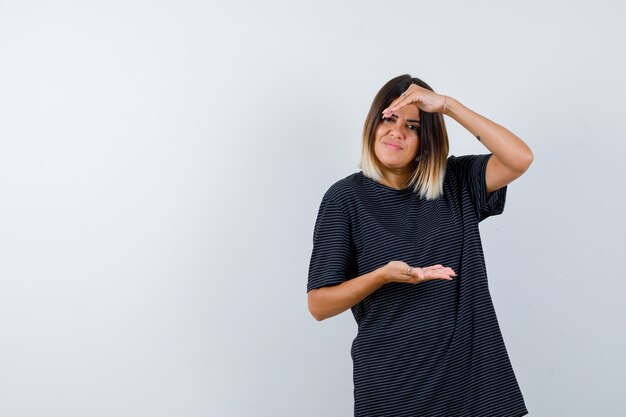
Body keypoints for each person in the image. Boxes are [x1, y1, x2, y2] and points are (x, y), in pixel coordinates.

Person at [307, 74, 533, 417]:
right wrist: (380, 276)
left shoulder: (456, 181)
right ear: (373, 125)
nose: (397, 131)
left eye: (412, 126)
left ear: (426, 141)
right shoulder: (345, 199)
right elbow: (319, 305)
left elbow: (520, 158)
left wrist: (447, 105)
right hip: (393, 390)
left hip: (474, 386)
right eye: (389, 118)